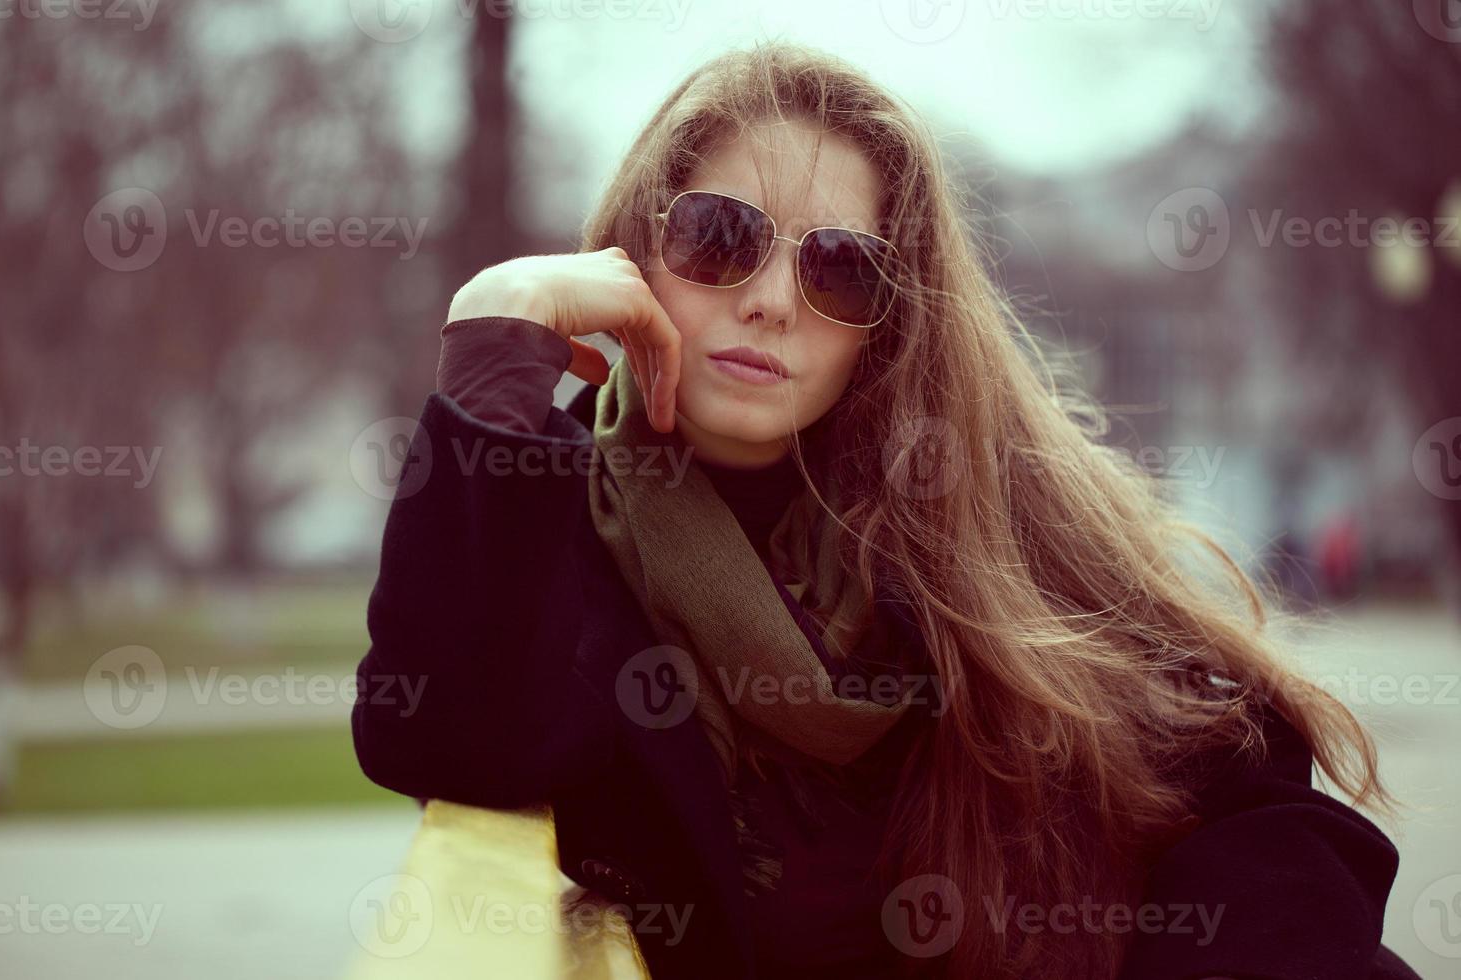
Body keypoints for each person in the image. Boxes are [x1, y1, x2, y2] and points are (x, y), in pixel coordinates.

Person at [352, 41, 1419, 980]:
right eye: (722, 237)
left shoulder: (980, 516)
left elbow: (1263, 800)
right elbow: (449, 739)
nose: (770, 298)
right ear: (636, 251)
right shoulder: (549, 527)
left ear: (885, 322)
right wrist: (497, 338)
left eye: (839, 268)